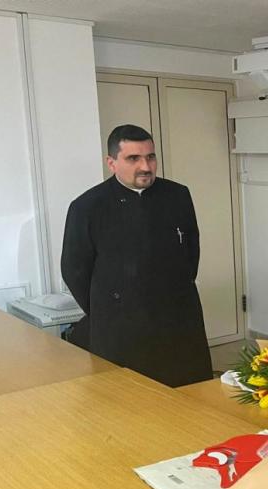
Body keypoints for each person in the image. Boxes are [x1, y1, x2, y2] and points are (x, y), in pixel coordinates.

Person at [61, 124, 213, 387]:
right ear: (111, 163)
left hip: (177, 316)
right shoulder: (87, 206)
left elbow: (191, 251)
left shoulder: (177, 195)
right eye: (133, 158)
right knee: (126, 398)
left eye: (150, 157)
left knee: (189, 393)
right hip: (120, 325)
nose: (145, 166)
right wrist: (108, 307)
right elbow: (74, 269)